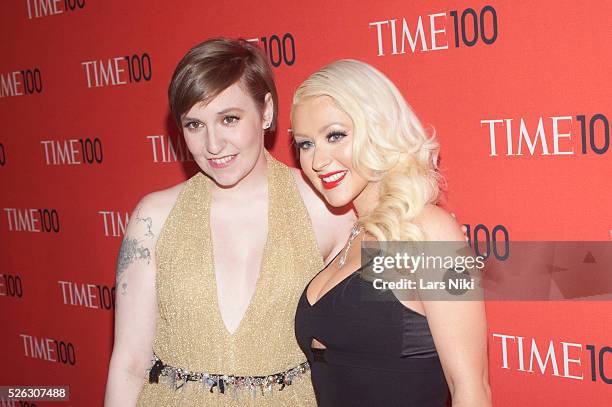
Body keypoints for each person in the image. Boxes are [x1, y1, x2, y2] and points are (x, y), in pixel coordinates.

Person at [104, 38, 354, 406]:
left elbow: (371, 345)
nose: (213, 144)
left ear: (266, 111)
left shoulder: (326, 207)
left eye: (229, 119)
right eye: (194, 124)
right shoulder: (153, 217)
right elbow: (129, 364)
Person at [292, 59, 491, 406]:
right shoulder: (352, 233)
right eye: (305, 144)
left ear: (378, 128)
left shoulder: (428, 230)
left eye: (335, 135)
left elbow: (470, 387)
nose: (317, 160)